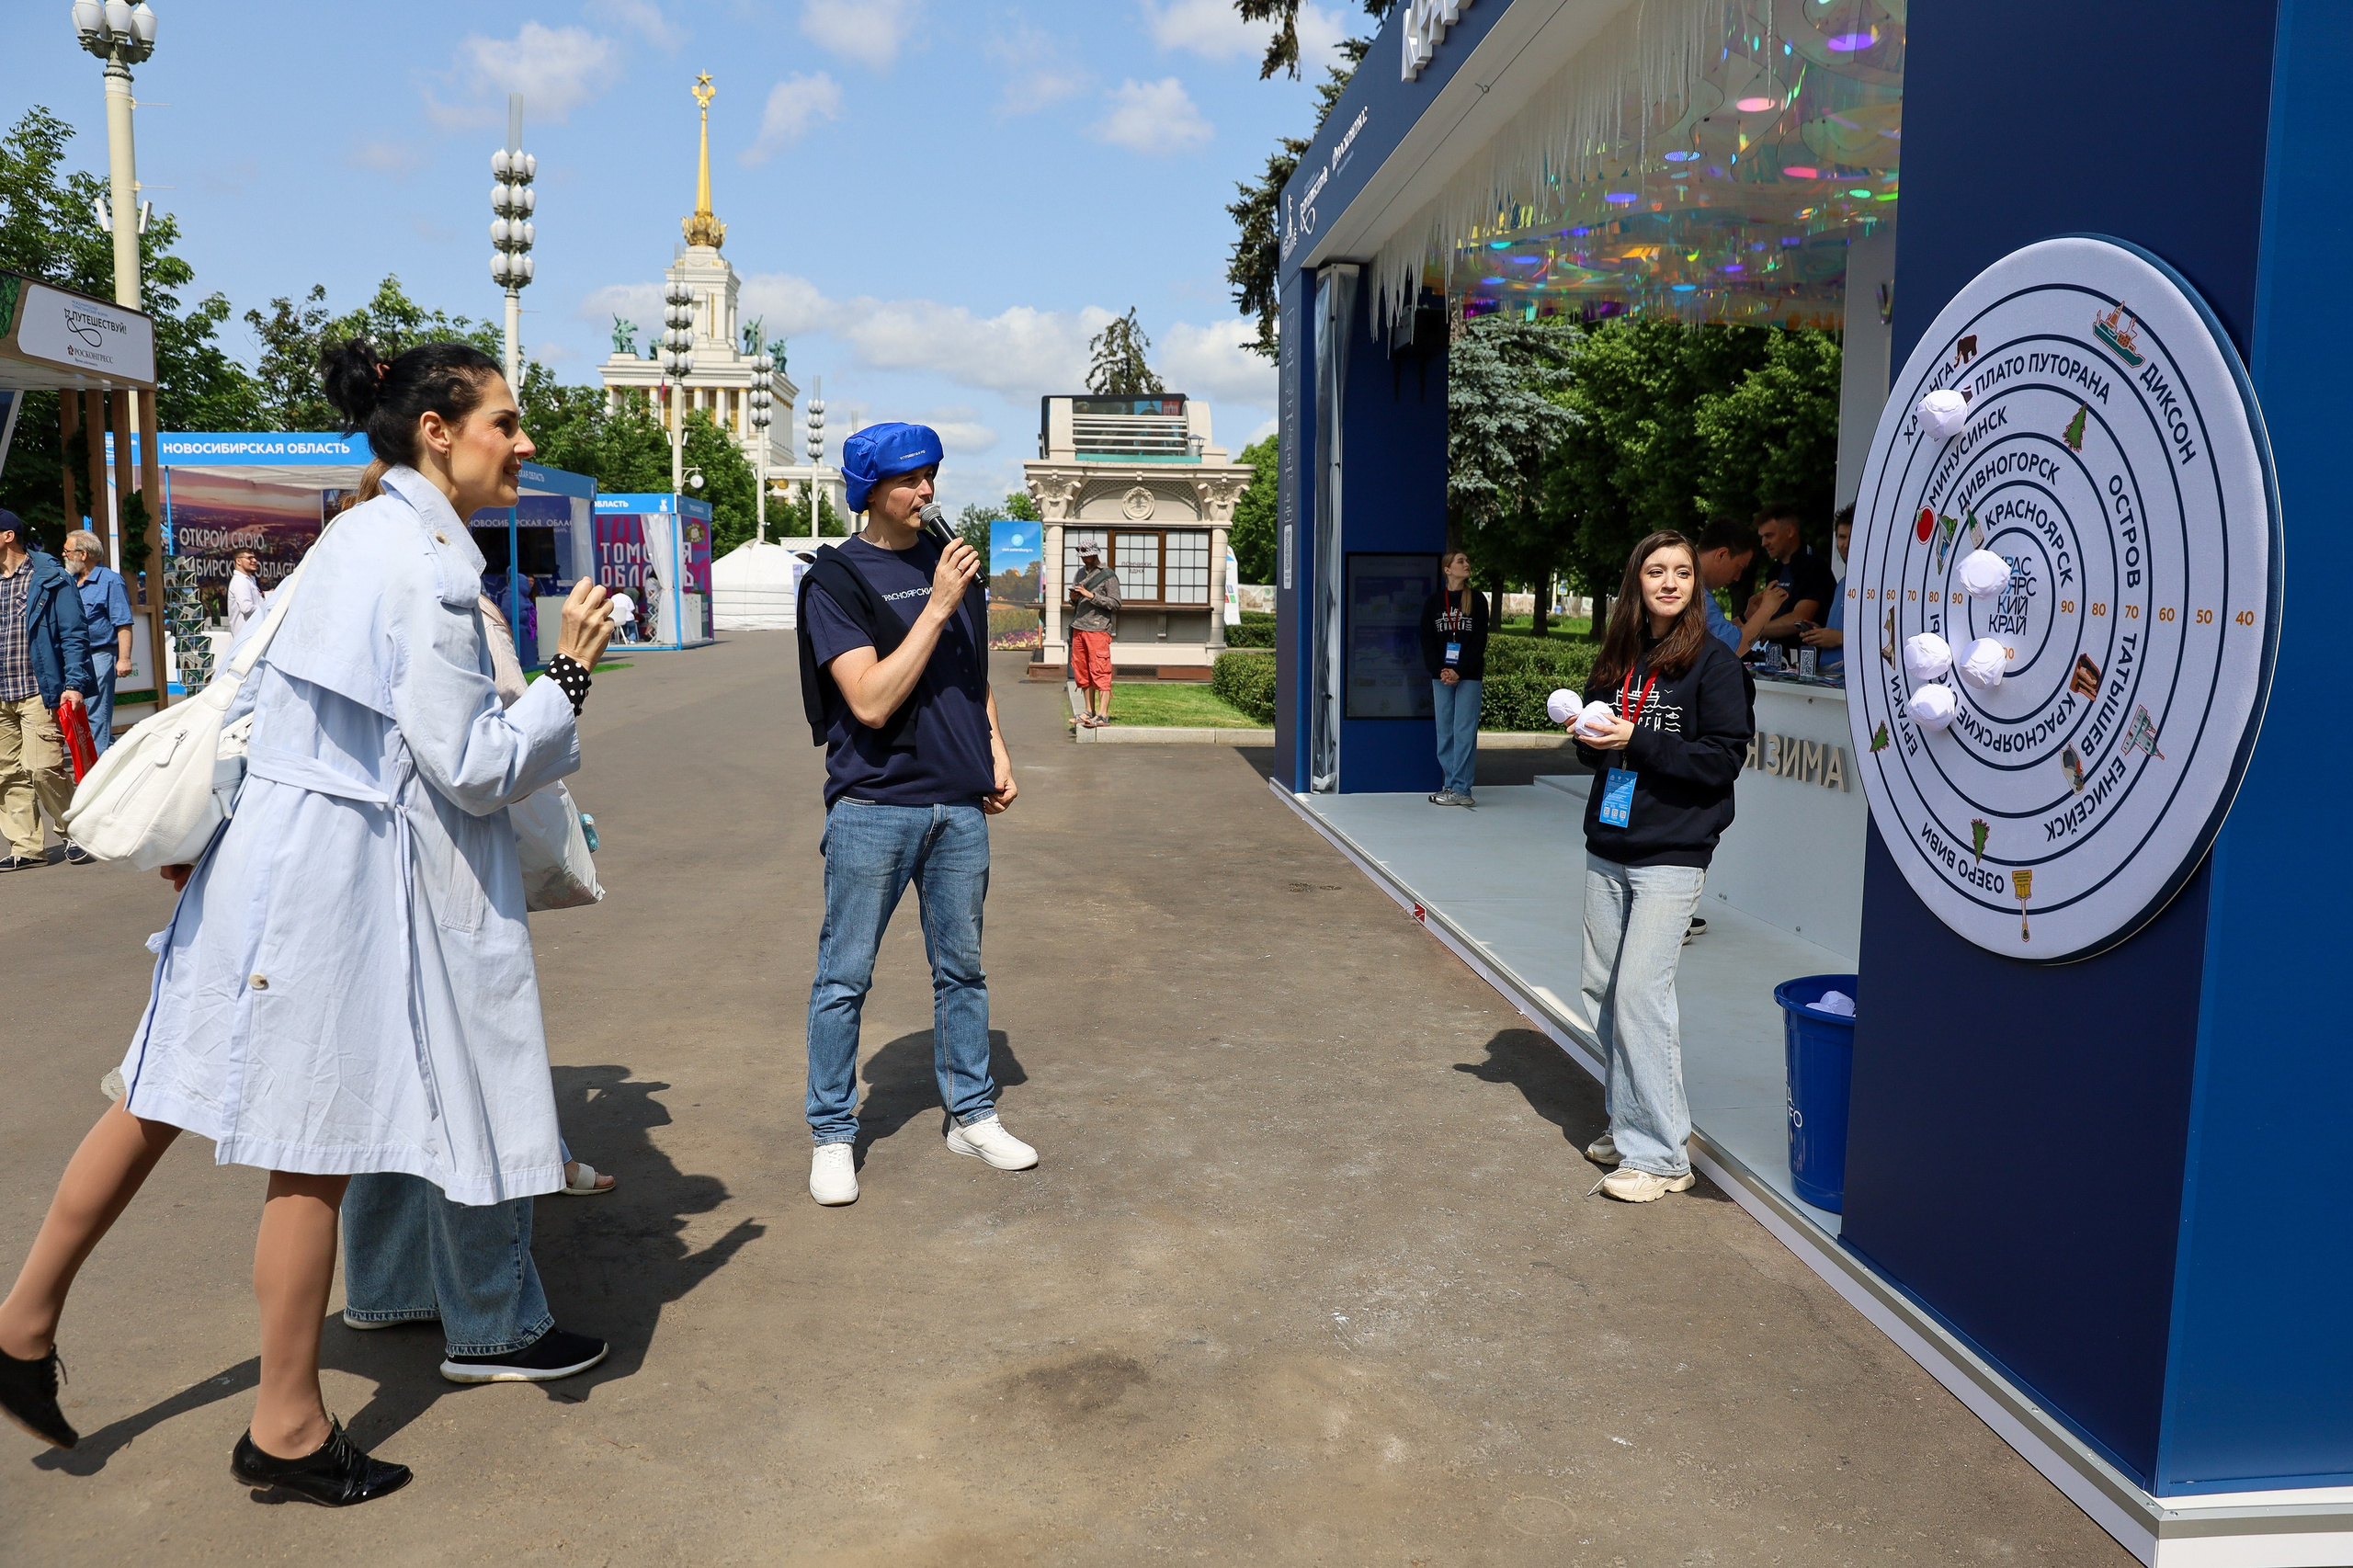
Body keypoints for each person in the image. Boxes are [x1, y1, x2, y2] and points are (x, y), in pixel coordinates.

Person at [0, 338, 615, 1506]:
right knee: (312, 1147)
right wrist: (569, 676)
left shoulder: (353, 536)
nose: (523, 441)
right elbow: (473, 764)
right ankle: (284, 1422)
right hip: (332, 883)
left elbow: (252, 687)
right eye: (504, 420)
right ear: (436, 430)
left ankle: (22, 1320)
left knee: (157, 1092)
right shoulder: (424, 568)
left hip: (261, 861)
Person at [793, 421, 1030, 1209]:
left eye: (930, 473)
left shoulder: (946, 560)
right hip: (874, 805)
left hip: (958, 807)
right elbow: (868, 699)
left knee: (963, 970)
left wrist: (994, 749)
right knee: (844, 978)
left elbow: (970, 672)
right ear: (869, 490)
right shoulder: (837, 581)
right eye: (907, 478)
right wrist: (937, 605)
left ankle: (972, 1114)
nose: (926, 490)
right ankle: (833, 1133)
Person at [1567, 530, 1754, 1204]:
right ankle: (1633, 1122)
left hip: (1672, 853)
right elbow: (1596, 754)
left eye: (1681, 572)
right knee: (1603, 991)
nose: (1669, 582)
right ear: (1636, 582)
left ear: (1695, 584)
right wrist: (1591, 737)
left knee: (1641, 995)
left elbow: (1722, 761)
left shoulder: (1715, 664)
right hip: (1610, 843)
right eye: (1656, 571)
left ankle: (1661, 1157)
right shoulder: (1621, 654)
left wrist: (1635, 738)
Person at [0, 511, 93, 873]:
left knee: (43, 769)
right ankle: (25, 846)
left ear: (8, 536)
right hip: (2, 693)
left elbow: (74, 634)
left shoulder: (51, 577)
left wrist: (73, 684)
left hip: (38, 689)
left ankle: (76, 832)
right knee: (7, 774)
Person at [1417, 548, 1488, 807]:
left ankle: (1462, 789)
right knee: (1445, 732)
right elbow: (1427, 640)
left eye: (1467, 561)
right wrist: (1441, 670)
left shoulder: (1477, 600)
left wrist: (1460, 670)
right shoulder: (1434, 602)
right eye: (1461, 561)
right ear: (1448, 570)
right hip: (1442, 676)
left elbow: (1479, 641)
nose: (1466, 564)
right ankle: (1451, 784)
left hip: (1468, 676)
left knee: (1464, 731)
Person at [63, 530, 134, 764]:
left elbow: (123, 622)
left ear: (83, 554)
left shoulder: (111, 581)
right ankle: (101, 763)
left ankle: (97, 770)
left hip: (100, 655)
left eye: (67, 551)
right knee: (78, 712)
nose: (64, 555)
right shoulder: (69, 581)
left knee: (96, 713)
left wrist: (124, 658)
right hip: (73, 658)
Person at [1745, 505, 1835, 660]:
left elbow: (1799, 619)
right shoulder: (1774, 571)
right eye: (1762, 537)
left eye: (1769, 535)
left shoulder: (1813, 566)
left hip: (1809, 663)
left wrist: (1752, 630)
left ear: (1790, 531)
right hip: (1777, 661)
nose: (1764, 543)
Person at [1066, 542, 1120, 729]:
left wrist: (1091, 595)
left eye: (1086, 556)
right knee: (1082, 671)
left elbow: (1115, 603)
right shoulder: (1080, 573)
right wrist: (1074, 598)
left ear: (1095, 554)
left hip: (1098, 629)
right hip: (1079, 627)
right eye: (1081, 556)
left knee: (1100, 670)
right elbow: (1075, 602)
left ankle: (1103, 715)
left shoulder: (1108, 575)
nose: (1083, 559)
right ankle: (1089, 711)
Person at [1799, 506, 1854, 683]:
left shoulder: (1879, 586)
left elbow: (1888, 639)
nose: (1845, 544)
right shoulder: (1842, 584)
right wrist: (1820, 633)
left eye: (1852, 536)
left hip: (1854, 685)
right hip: (1828, 681)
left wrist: (1839, 638)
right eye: (1842, 537)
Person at [225, 548, 266, 638]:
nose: (254, 560)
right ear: (238, 561)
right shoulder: (240, 581)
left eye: (254, 558)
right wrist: (267, 608)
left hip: (253, 635)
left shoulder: (249, 580)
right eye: (249, 558)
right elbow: (247, 608)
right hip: (247, 637)